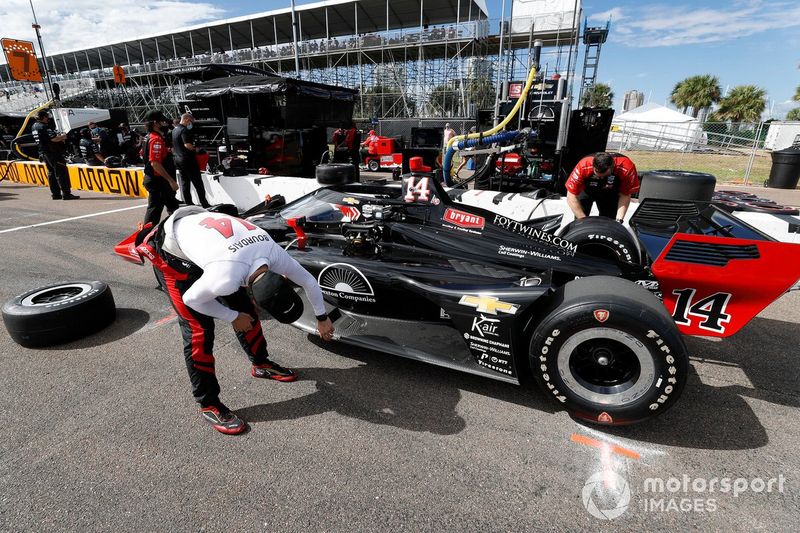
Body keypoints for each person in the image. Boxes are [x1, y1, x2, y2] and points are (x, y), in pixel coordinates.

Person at [135, 206, 335, 434]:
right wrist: (231, 316)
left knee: (246, 310)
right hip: (172, 254)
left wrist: (322, 317)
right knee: (199, 330)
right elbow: (192, 299)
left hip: (215, 249)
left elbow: (308, 281)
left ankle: (261, 364)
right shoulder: (227, 277)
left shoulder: (274, 253)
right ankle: (208, 403)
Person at [565, 152, 640, 221]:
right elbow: (571, 196)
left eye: (605, 176)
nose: (601, 178)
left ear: (612, 167)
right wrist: (583, 220)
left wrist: (619, 220)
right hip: (586, 190)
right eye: (597, 175)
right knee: (580, 219)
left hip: (610, 192)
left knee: (609, 221)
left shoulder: (626, 166)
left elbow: (625, 194)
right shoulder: (584, 165)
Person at [141, 110, 180, 227]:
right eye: (162, 122)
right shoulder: (155, 139)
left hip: (156, 179)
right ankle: (145, 238)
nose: (165, 124)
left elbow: (144, 154)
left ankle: (177, 230)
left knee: (173, 206)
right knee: (154, 211)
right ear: (155, 123)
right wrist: (171, 181)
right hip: (158, 181)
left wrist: (166, 151)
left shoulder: (148, 137)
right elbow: (155, 164)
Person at [31, 110, 79, 200]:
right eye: (46, 117)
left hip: (44, 153)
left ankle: (55, 194)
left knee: (51, 173)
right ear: (44, 117)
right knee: (61, 173)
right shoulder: (44, 126)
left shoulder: (34, 126)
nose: (48, 118)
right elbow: (54, 139)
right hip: (53, 153)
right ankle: (66, 194)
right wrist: (64, 136)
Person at [172, 113, 210, 208]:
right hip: (187, 159)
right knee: (198, 182)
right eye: (190, 122)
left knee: (185, 182)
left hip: (178, 159)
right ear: (186, 119)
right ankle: (204, 203)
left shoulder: (174, 130)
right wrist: (197, 150)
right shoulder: (183, 130)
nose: (191, 124)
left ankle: (189, 203)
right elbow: (187, 145)